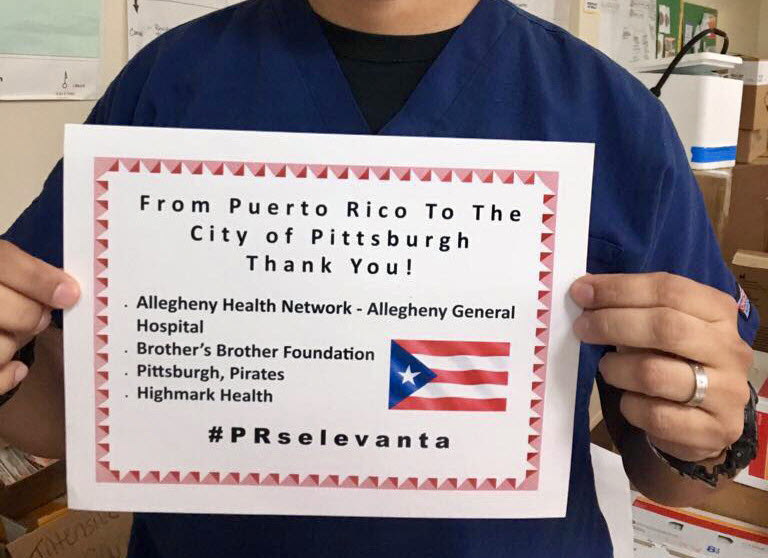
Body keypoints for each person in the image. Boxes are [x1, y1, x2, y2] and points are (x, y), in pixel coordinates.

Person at [0, 0, 758, 556]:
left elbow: (677, 477)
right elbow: (60, 409)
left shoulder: (608, 113)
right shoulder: (170, 85)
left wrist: (707, 426)